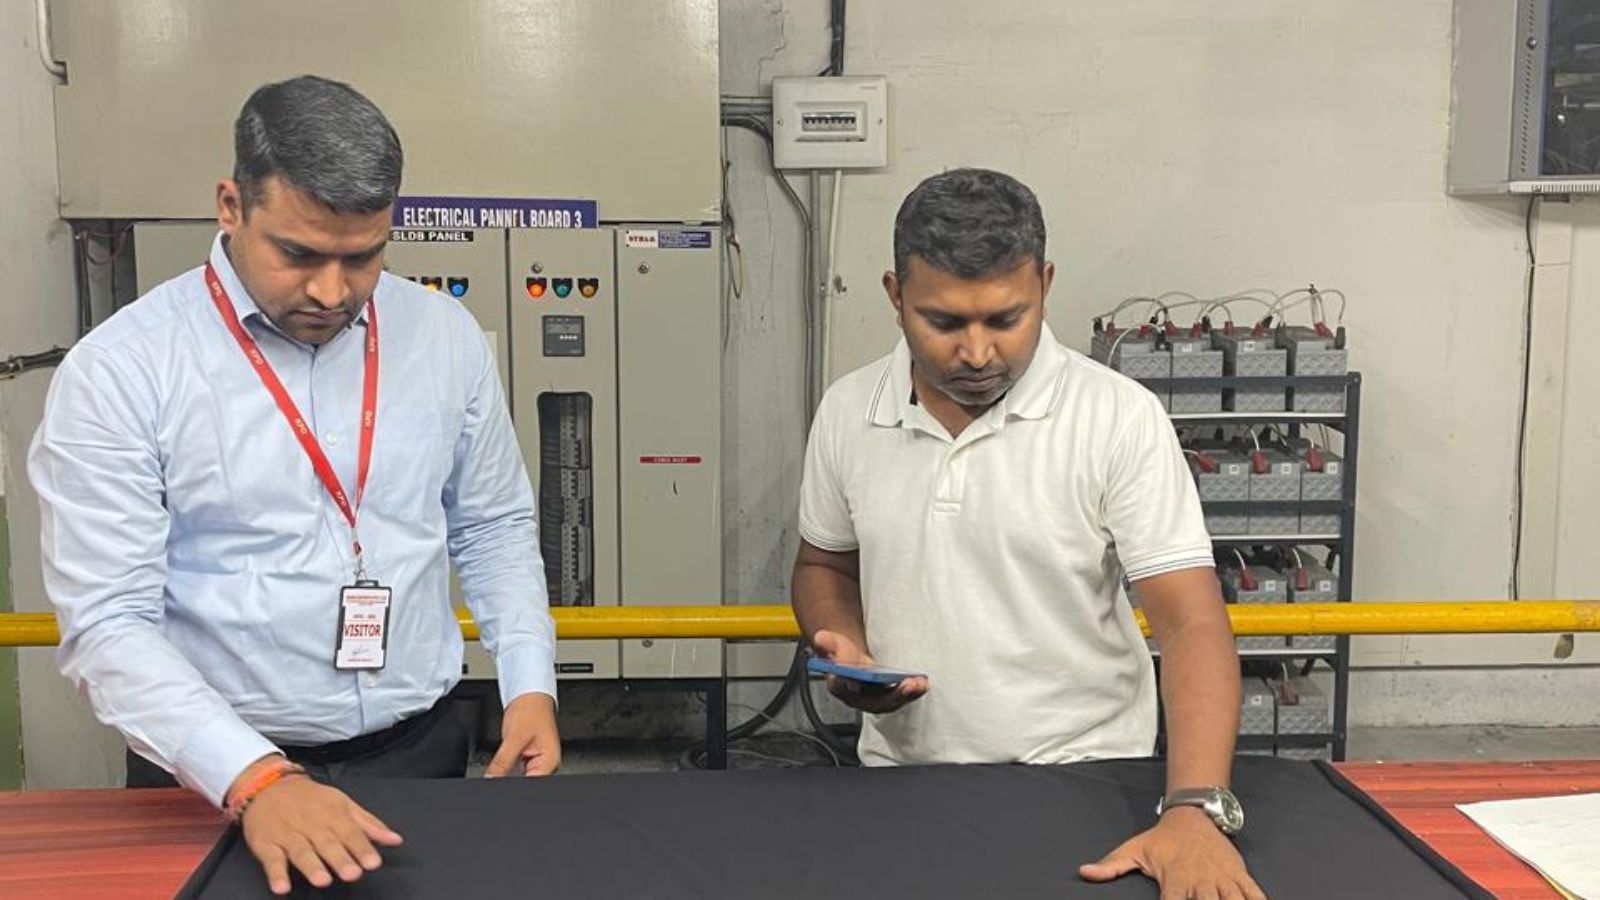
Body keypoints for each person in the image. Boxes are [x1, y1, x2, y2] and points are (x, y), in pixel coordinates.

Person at [30, 75, 560, 895]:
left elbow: (491, 525)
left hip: (418, 756)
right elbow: (108, 623)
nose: (331, 291)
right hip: (211, 780)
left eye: (364, 257)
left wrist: (529, 683)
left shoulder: (442, 337)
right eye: (300, 254)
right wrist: (255, 778)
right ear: (230, 206)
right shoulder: (125, 371)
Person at [792, 168, 1265, 899]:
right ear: (895, 296)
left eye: (1006, 320)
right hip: (901, 777)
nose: (978, 353)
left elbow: (1191, 621)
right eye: (944, 323)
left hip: (1088, 777)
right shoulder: (849, 411)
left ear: (1044, 285)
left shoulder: (1117, 418)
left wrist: (1194, 808)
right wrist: (844, 646)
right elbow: (824, 565)